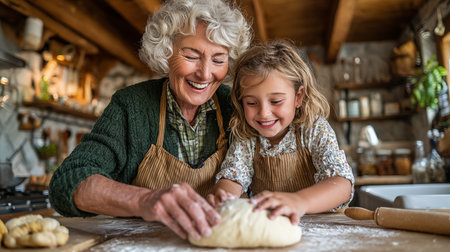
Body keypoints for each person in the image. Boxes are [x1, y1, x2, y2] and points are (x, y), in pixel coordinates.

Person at [49, 0, 252, 240]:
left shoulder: (238, 106)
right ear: (166, 52)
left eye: (218, 60)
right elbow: (68, 181)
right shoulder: (131, 105)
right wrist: (143, 199)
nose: (205, 73)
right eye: (191, 55)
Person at [207, 40, 354, 225]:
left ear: (298, 97)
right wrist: (223, 197)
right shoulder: (247, 136)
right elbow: (234, 177)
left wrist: (300, 201)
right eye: (251, 103)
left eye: (276, 101)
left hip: (325, 227)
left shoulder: (314, 128)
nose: (264, 113)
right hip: (273, 226)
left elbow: (341, 184)